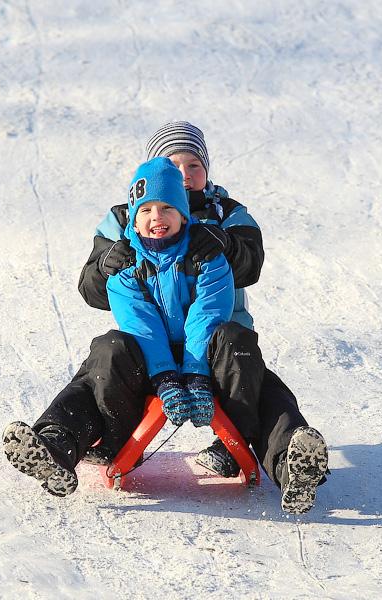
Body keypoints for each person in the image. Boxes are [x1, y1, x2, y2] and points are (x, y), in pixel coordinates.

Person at [77, 121, 328, 513]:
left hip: (216, 340)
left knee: (256, 378)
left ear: (207, 170)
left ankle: (291, 460)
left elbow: (251, 265)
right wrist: (107, 263)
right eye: (173, 164)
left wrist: (224, 243)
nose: (184, 173)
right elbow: (92, 291)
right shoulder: (125, 217)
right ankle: (66, 440)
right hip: (149, 343)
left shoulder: (228, 212)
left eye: (194, 165)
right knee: (103, 362)